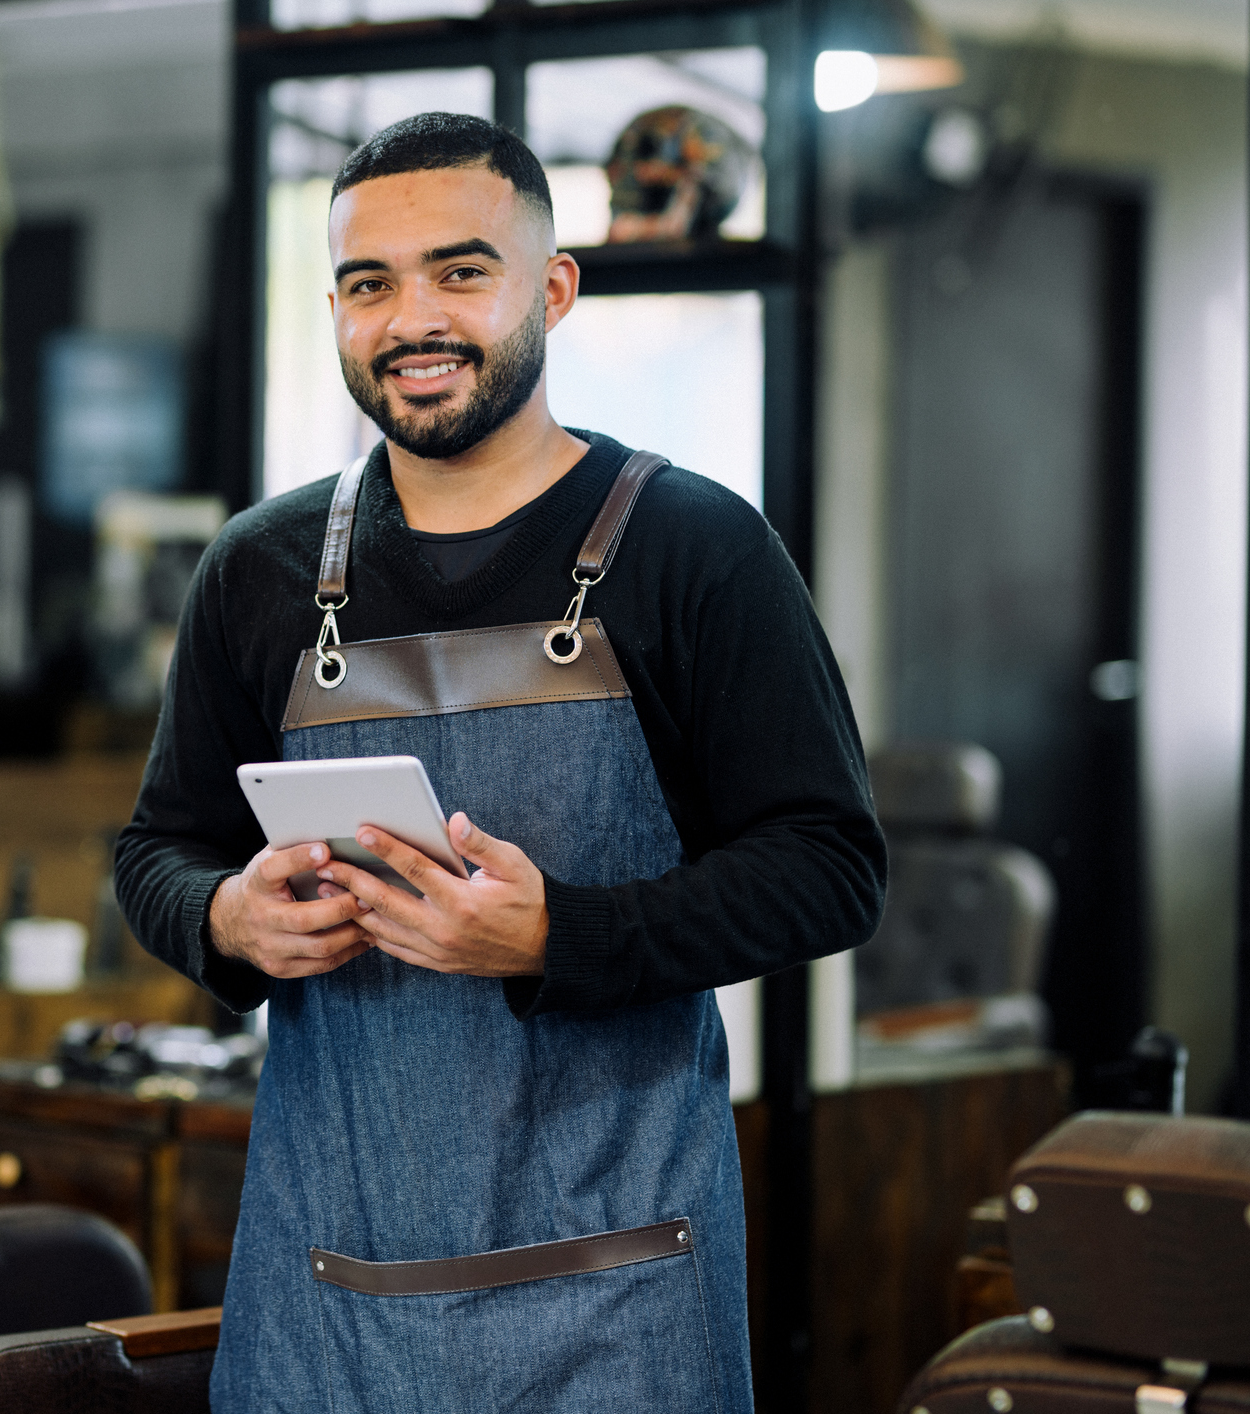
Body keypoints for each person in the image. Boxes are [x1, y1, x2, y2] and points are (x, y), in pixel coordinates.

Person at [114, 114, 886, 1412]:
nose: (412, 315)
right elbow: (157, 852)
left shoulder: (696, 548)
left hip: (620, 1290)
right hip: (329, 1293)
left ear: (554, 287)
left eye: (460, 271)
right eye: (370, 283)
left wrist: (558, 934)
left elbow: (830, 865)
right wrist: (225, 915)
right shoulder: (258, 570)